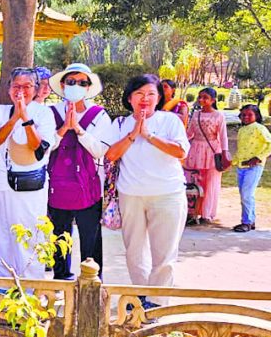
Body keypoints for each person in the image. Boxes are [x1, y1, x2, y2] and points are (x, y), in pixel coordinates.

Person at [103, 74, 189, 308]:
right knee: (134, 250)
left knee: (164, 252)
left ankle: (157, 301)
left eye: (151, 94)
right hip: (131, 194)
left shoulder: (170, 121)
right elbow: (111, 154)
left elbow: (180, 152)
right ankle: (140, 295)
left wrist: (149, 135)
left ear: (159, 98)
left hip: (168, 194)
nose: (145, 99)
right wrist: (134, 134)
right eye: (139, 94)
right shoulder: (120, 124)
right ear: (129, 98)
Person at [0, 68, 57, 282]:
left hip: (30, 185)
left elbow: (38, 147)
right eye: (16, 86)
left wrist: (25, 118)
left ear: (36, 89)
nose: (21, 91)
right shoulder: (0, 111)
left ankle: (30, 283)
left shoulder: (43, 113)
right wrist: (14, 117)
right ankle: (1, 281)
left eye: (27, 86)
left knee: (29, 233)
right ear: (9, 88)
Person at [46, 63, 111, 280]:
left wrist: (79, 130)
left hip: (88, 186)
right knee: (59, 235)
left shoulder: (99, 115)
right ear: (63, 85)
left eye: (82, 82)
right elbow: (45, 147)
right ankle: (61, 279)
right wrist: (64, 128)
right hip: (57, 184)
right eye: (71, 81)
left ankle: (92, 282)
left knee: (90, 236)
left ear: (89, 87)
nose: (76, 86)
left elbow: (100, 150)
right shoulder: (51, 113)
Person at [183, 88, 231, 225]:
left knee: (210, 182)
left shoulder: (218, 115)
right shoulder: (196, 114)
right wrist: (179, 141)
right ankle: (192, 212)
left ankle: (207, 214)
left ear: (213, 100)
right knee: (193, 180)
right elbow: (190, 133)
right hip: (196, 149)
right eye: (200, 97)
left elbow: (223, 136)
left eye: (205, 97)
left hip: (212, 151)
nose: (201, 100)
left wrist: (225, 152)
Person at [233, 104, 271, 232]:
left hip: (254, 167)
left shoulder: (259, 128)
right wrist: (231, 163)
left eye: (250, 115)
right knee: (245, 194)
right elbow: (240, 150)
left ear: (257, 116)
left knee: (247, 194)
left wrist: (258, 157)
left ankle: (247, 222)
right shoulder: (242, 130)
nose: (246, 117)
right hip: (241, 166)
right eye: (243, 115)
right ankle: (251, 220)